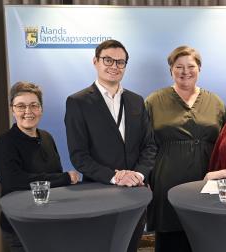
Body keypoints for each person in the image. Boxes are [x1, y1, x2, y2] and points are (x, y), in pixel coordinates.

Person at [64, 39, 156, 252]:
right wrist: (115, 177)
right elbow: (79, 156)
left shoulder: (136, 100)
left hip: (136, 192)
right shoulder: (77, 102)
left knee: (131, 246)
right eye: (108, 60)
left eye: (120, 62)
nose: (114, 66)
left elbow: (149, 146)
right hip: (99, 192)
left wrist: (138, 176)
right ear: (95, 61)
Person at [145, 45, 226, 252]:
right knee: (171, 241)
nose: (185, 71)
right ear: (171, 69)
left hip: (207, 179)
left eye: (191, 66)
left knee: (206, 237)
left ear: (199, 68)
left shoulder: (215, 101)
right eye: (178, 66)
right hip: (167, 180)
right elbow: (144, 144)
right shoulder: (154, 101)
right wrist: (144, 178)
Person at [0, 81, 80, 252]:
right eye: (21, 106)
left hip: (50, 221)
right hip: (21, 224)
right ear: (12, 109)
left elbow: (55, 176)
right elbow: (13, 180)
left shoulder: (47, 137)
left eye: (34, 105)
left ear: (41, 109)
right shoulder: (5, 142)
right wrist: (64, 178)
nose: (28, 111)